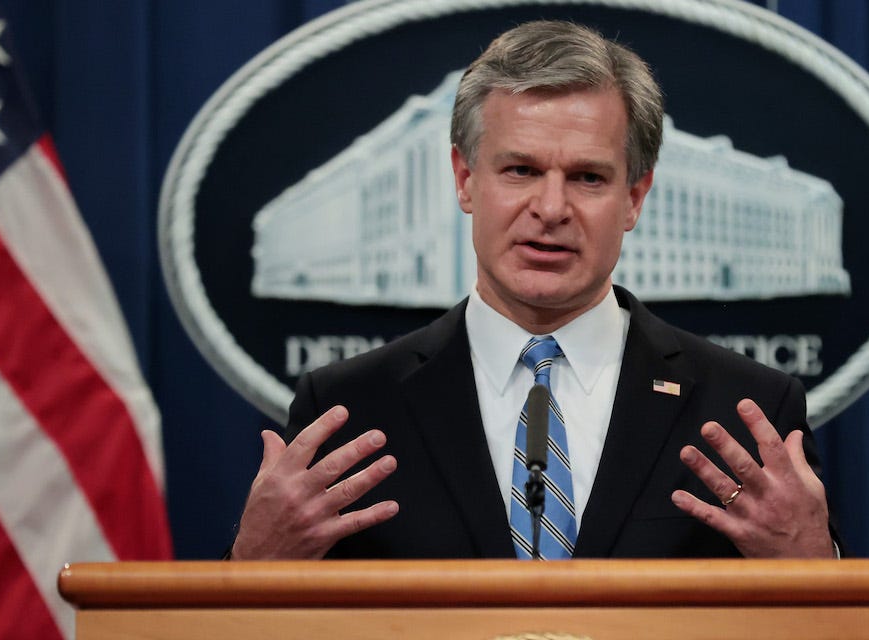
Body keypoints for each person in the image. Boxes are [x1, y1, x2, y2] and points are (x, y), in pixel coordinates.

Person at [229, 20, 837, 561]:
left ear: (634, 197)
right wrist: (255, 564)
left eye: (588, 177)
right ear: (466, 180)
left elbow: (830, 624)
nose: (551, 208)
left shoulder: (744, 410)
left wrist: (814, 563)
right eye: (520, 170)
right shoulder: (348, 408)